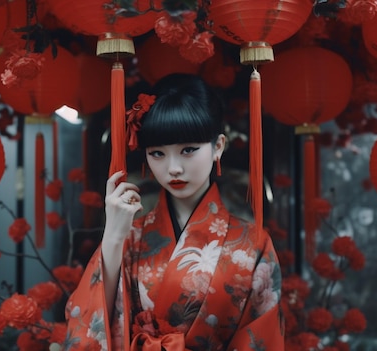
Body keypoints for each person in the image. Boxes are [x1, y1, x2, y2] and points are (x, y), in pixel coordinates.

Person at [63, 73, 284, 351]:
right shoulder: (130, 235)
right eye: (157, 153)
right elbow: (91, 322)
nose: (173, 168)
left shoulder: (253, 244)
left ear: (218, 147)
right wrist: (113, 237)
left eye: (188, 150)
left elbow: (262, 339)